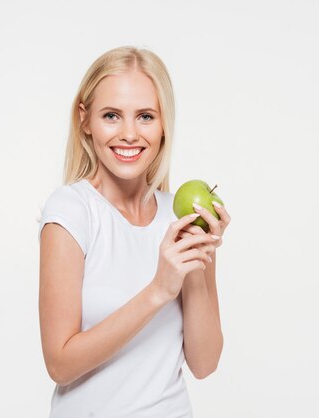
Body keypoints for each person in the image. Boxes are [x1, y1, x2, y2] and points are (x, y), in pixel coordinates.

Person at [37, 46, 231, 418]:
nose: (129, 134)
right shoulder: (71, 211)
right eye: (112, 115)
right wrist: (159, 289)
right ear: (85, 120)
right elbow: (59, 363)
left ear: (163, 126)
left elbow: (205, 364)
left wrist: (195, 260)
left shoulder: (183, 217)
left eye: (145, 116)